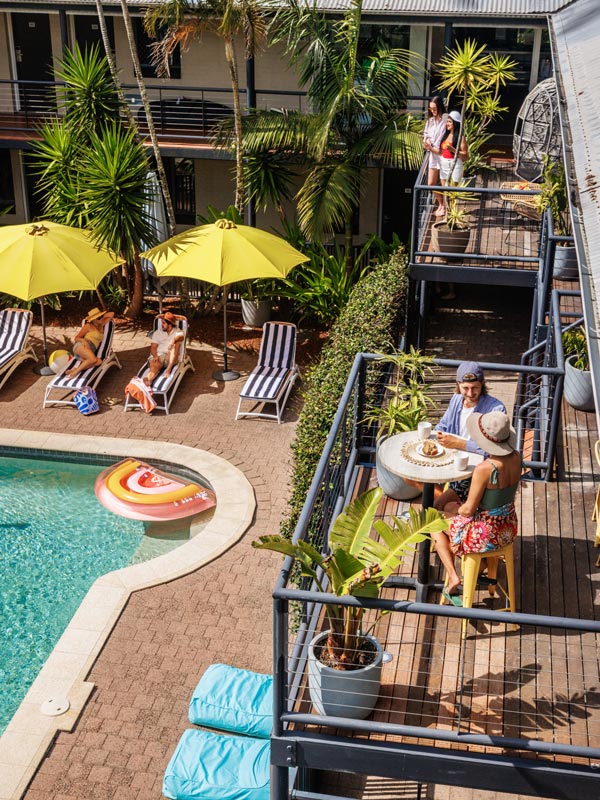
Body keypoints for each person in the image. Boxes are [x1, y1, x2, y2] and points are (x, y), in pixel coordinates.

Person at [431, 411, 521, 604]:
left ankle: (454, 576)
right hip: (507, 527)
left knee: (432, 521)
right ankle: (481, 566)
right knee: (448, 506)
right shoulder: (517, 458)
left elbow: (469, 510)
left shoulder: (485, 469)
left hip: (484, 533)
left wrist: (458, 509)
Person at [434, 361, 506, 512]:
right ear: (458, 384)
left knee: (439, 506)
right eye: (465, 388)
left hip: (475, 471)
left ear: (482, 384)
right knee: (415, 479)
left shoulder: (496, 409)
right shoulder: (456, 399)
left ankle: (447, 506)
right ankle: (447, 502)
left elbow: (494, 449)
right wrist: (436, 435)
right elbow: (444, 424)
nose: (470, 393)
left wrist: (459, 443)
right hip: (452, 461)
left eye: (475, 388)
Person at [66, 307, 115, 378]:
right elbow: (76, 338)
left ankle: (76, 369)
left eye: (101, 317)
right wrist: (83, 341)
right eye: (98, 318)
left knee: (99, 362)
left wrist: (101, 317)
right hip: (81, 346)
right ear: (94, 320)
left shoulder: (101, 324)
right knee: (93, 359)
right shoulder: (88, 326)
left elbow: (112, 314)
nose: (101, 318)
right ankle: (76, 372)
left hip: (90, 351)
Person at [145, 311, 187, 386]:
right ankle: (148, 381)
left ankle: (168, 369)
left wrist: (173, 340)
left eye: (164, 323)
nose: (162, 325)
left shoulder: (177, 331)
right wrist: (155, 356)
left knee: (176, 344)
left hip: (170, 358)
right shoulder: (158, 332)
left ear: (170, 324)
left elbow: (181, 337)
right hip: (159, 356)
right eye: (161, 323)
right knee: (155, 365)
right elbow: (153, 347)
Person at [422, 95, 448, 217]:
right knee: (431, 183)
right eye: (430, 109)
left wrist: (431, 147)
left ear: (440, 107)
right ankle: (441, 204)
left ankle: (446, 207)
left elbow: (443, 137)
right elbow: (426, 134)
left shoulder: (445, 119)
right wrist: (426, 141)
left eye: (434, 109)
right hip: (432, 155)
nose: (432, 111)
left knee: (444, 183)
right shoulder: (430, 121)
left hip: (443, 156)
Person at [434, 110, 469, 186]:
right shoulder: (445, 135)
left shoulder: (461, 138)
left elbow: (466, 156)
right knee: (445, 191)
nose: (447, 124)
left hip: (455, 164)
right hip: (444, 163)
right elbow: (441, 152)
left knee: (453, 192)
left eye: (450, 122)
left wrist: (452, 149)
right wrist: (430, 148)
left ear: (455, 123)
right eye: (447, 121)